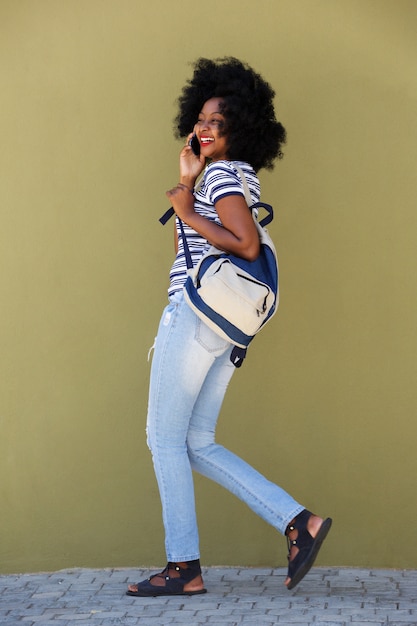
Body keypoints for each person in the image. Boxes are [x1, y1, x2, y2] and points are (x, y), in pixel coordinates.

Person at [127, 57, 331, 597]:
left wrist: (186, 205)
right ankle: (298, 523)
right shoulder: (225, 176)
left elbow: (243, 242)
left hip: (193, 317)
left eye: (217, 120)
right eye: (200, 119)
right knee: (196, 439)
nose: (204, 127)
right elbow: (187, 253)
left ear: (239, 127)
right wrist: (185, 187)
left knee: (162, 439)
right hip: (223, 327)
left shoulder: (222, 175)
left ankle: (182, 567)